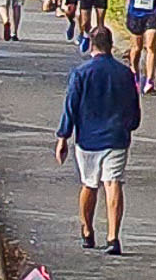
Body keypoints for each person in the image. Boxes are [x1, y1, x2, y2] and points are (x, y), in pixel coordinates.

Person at [54, 26, 142, 255]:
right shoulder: (125, 74)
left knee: (89, 184)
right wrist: (130, 124)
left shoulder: (81, 73)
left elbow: (70, 106)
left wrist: (63, 136)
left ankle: (87, 229)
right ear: (111, 45)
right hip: (116, 136)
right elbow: (134, 108)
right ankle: (113, 236)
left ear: (92, 44)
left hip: (88, 138)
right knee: (113, 184)